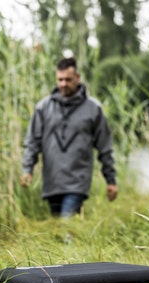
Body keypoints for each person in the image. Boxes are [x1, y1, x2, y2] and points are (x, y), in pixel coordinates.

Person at [20, 56, 118, 217]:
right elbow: (32, 142)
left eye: (68, 79)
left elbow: (104, 147)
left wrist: (111, 180)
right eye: (60, 80)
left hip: (77, 183)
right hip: (52, 182)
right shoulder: (43, 108)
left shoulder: (93, 109)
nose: (63, 84)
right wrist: (27, 169)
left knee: (67, 223)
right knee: (58, 229)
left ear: (77, 78)